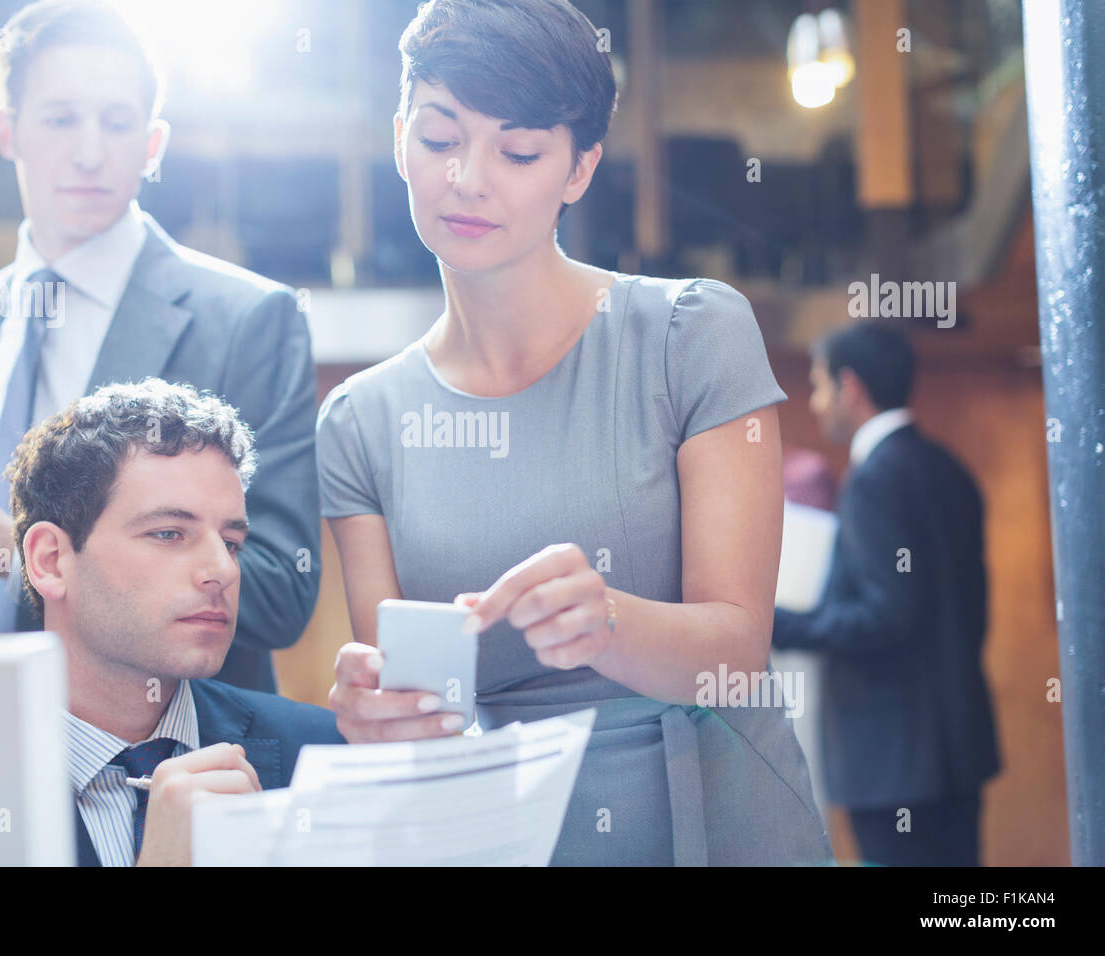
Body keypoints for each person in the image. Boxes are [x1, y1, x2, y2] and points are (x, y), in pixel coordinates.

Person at [316, 0, 831, 865]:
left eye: (518, 151)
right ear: (400, 135)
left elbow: (738, 653)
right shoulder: (361, 422)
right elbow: (420, 703)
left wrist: (610, 622)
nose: (468, 179)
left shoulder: (689, 335)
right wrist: (378, 713)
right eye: (441, 139)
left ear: (581, 167)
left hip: (711, 813)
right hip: (502, 831)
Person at [0, 0, 319, 694]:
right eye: (59, 118)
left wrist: (15, 554)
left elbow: (279, 592)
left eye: (115, 122)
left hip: (154, 752)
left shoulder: (246, 319)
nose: (88, 151)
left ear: (153, 143)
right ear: (5, 130)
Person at [8, 378, 342, 867]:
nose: (223, 571)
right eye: (169, 533)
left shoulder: (323, 758)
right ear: (51, 560)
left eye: (231, 543)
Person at [771, 322, 1001, 866]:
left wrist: (782, 624)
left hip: (893, 763)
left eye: (820, 385)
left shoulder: (874, 478)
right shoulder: (949, 468)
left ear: (851, 386)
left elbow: (887, 614)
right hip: (957, 747)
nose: (817, 402)